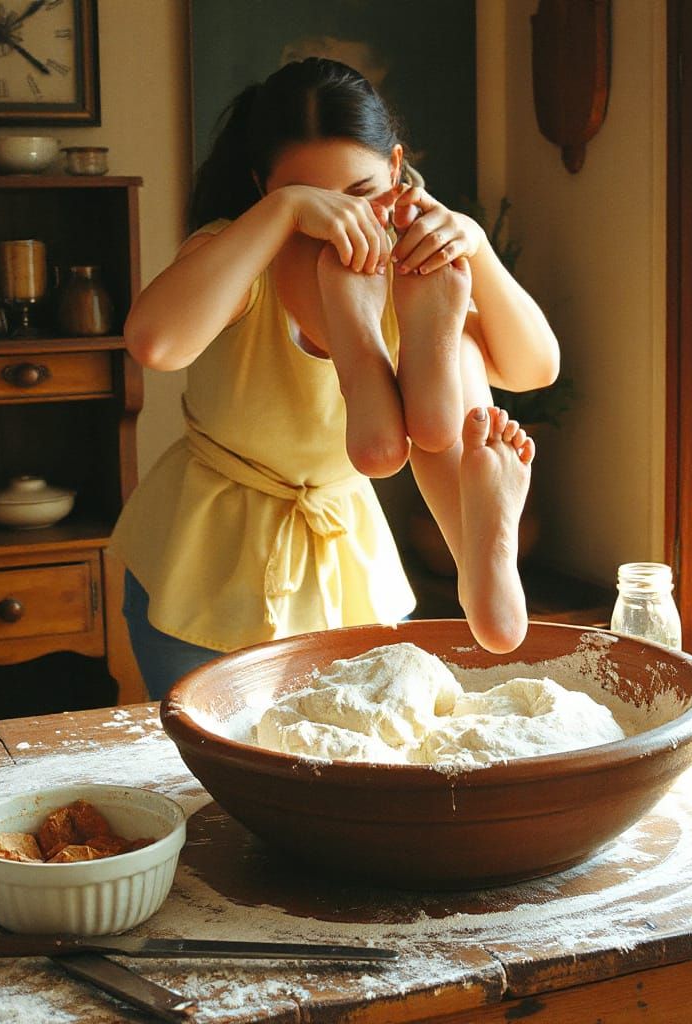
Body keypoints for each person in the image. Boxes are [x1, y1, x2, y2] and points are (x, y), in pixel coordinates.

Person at [109, 58, 560, 699]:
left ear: (396, 168)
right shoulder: (235, 250)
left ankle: (475, 547)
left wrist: (477, 248)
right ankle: (395, 412)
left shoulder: (413, 253)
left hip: (346, 557)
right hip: (207, 564)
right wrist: (283, 216)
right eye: (308, 198)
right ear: (263, 186)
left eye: (359, 193)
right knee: (213, 765)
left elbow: (534, 368)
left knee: (453, 342)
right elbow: (155, 345)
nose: (343, 224)